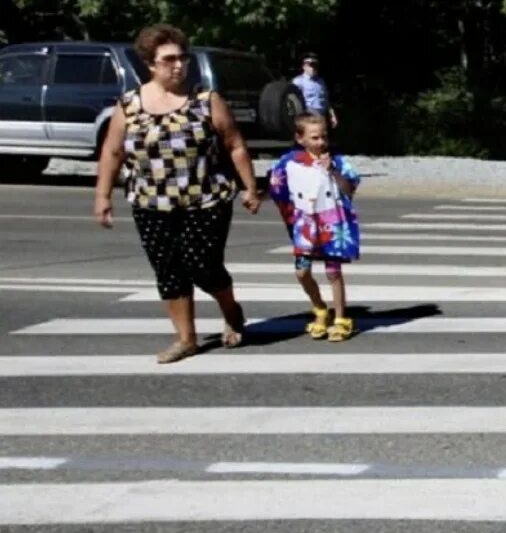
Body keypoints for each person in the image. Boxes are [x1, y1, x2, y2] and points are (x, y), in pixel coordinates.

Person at [93, 23, 262, 363]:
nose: (179, 65)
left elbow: (235, 145)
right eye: (169, 59)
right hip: (151, 202)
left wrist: (250, 188)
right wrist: (103, 196)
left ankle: (230, 310)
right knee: (168, 270)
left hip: (206, 200)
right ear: (150, 64)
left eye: (183, 58)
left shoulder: (206, 101)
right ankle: (186, 339)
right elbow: (112, 152)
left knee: (203, 265)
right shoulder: (129, 105)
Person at [268, 112, 363, 342]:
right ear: (300, 138)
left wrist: (332, 170)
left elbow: (350, 188)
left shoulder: (337, 161)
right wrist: (256, 197)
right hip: (306, 225)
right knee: (302, 271)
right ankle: (320, 308)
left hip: (331, 223)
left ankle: (340, 318)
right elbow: (276, 185)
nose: (320, 142)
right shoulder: (290, 162)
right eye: (314, 137)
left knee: (333, 272)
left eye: (323, 137)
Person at [290, 53, 338, 130]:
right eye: (310, 65)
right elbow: (291, 102)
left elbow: (326, 101)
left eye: (315, 65)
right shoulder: (298, 81)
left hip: (321, 118)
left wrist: (332, 116)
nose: (313, 68)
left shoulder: (321, 82)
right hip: (307, 118)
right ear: (304, 66)